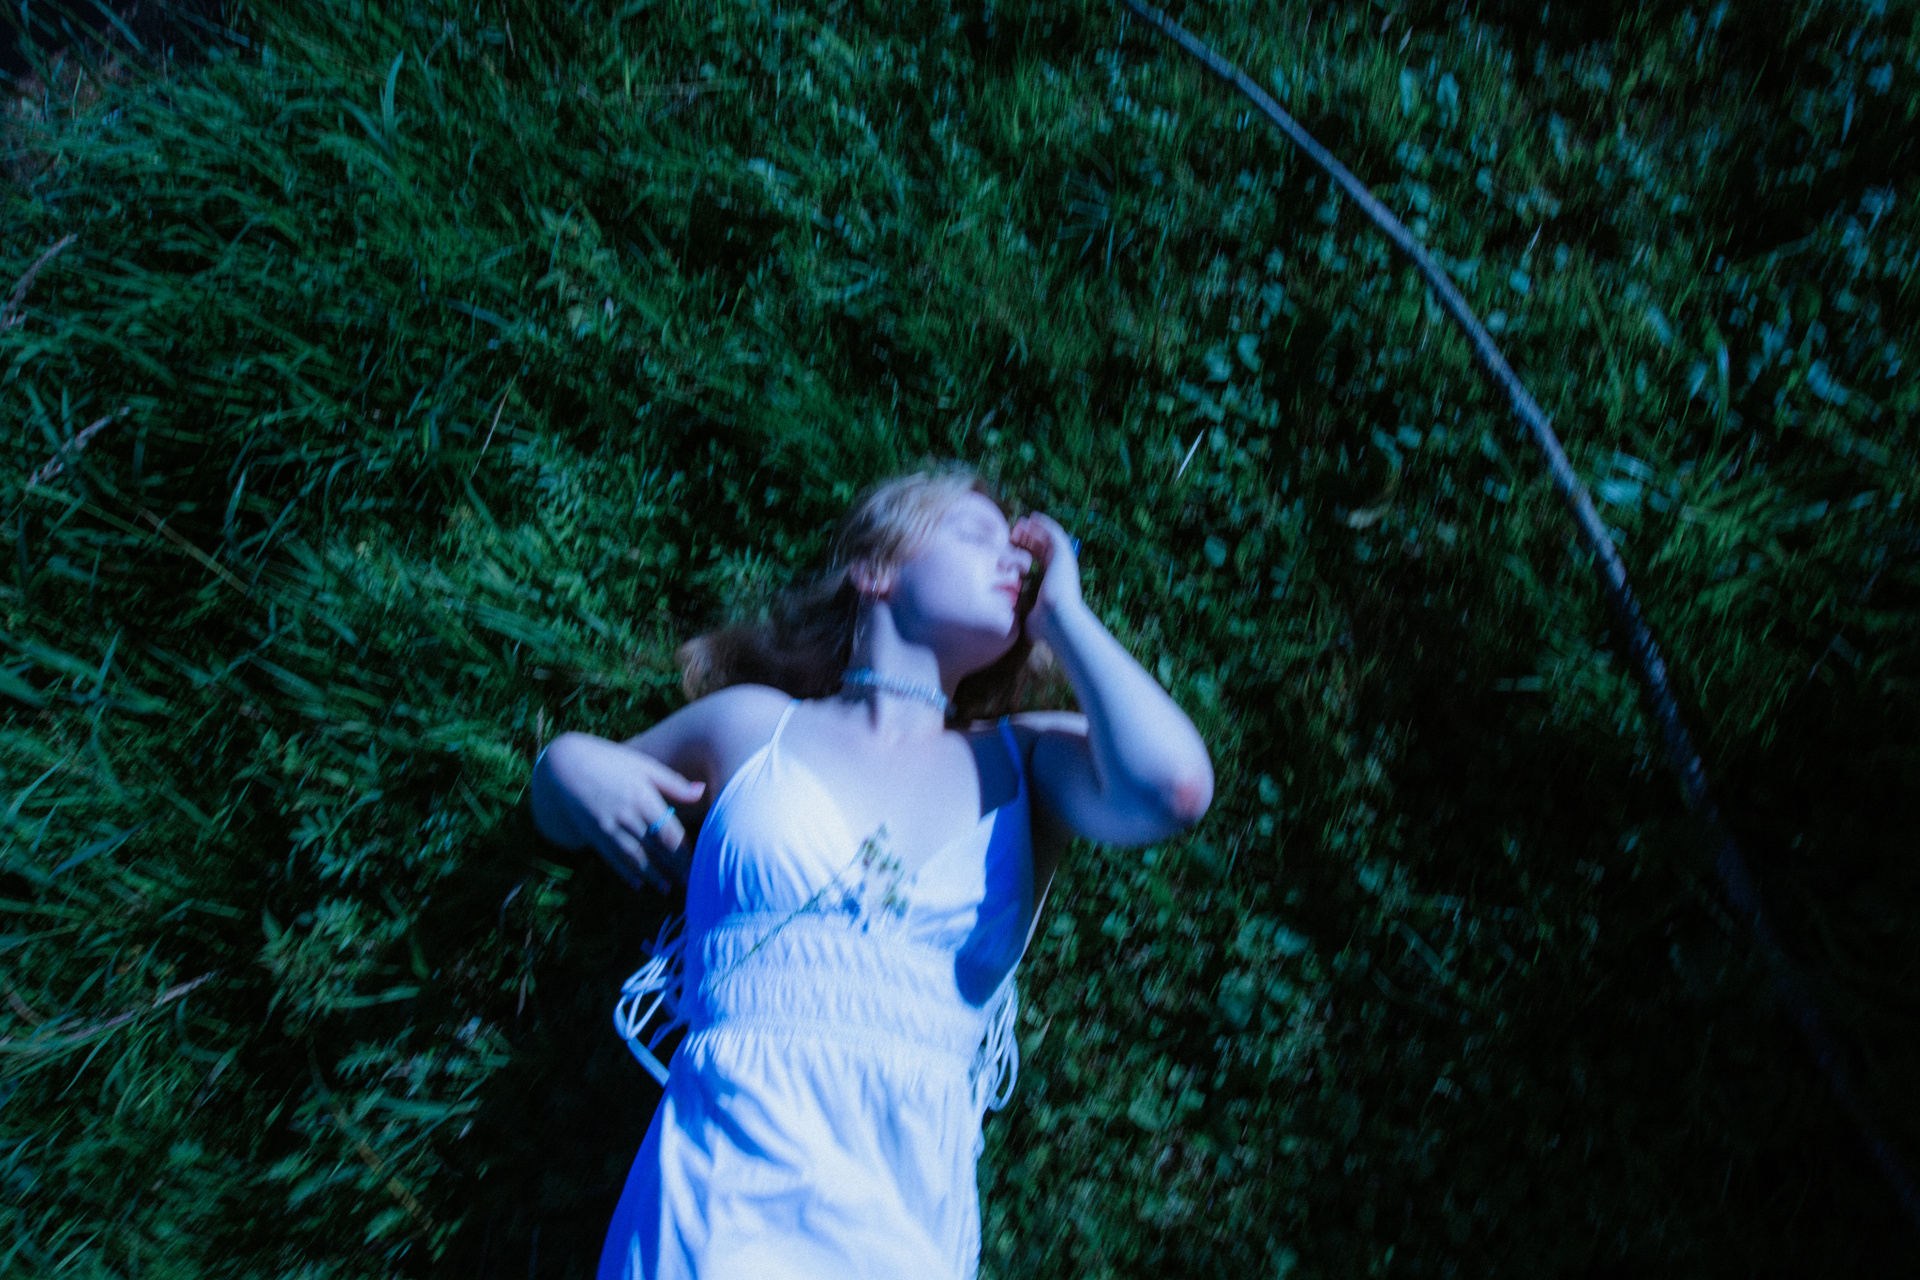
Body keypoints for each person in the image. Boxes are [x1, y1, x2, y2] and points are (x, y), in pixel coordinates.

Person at [530, 463, 1214, 1280]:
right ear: (875, 568)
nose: (1015, 562)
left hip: (906, 1211)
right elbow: (563, 815)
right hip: (719, 1198)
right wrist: (565, 764)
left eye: (1022, 560)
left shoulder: (1026, 761)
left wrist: (1065, 617)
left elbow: (1173, 790)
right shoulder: (753, 728)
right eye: (976, 535)